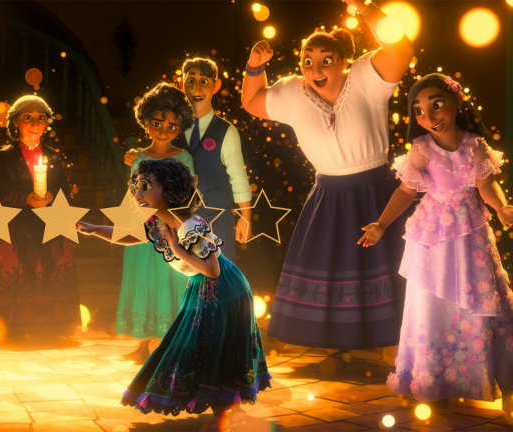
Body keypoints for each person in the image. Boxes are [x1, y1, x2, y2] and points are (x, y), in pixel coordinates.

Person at [240, 0, 414, 373]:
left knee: (385, 264)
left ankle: (393, 347)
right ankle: (337, 345)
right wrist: (255, 66)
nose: (316, 69)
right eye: (307, 61)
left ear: (343, 61)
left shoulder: (367, 78)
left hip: (376, 190)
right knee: (333, 262)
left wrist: (367, 10)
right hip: (329, 196)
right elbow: (251, 101)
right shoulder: (292, 94)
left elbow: (402, 50)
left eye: (326, 60)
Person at [77, 158, 270, 432]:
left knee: (214, 349)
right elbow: (130, 236)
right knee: (203, 348)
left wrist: (178, 250)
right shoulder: (158, 222)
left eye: (146, 186)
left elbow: (213, 269)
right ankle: (228, 411)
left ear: (169, 188)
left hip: (224, 290)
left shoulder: (192, 225)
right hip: (202, 288)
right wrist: (95, 229)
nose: (138, 194)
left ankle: (226, 415)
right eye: (136, 187)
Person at [359, 74, 513, 415]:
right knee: (430, 301)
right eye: (419, 110)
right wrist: (381, 224)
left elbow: (486, 185)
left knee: (482, 295)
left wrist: (501, 207)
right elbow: (405, 191)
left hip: (470, 232)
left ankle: (499, 380)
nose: (428, 116)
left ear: (458, 102)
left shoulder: (475, 146)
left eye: (437, 105)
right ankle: (433, 379)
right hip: (431, 235)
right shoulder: (422, 150)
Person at [125, 58, 252, 260]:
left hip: (217, 217)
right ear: (181, 84)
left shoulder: (226, 131)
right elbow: (155, 154)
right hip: (174, 222)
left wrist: (246, 216)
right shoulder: (173, 124)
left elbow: (238, 176)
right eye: (190, 81)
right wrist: (137, 156)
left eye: (204, 81)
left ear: (216, 85)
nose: (196, 88)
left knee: (218, 268)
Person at [0, 95, 81, 339]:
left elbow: (63, 187)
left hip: (49, 221)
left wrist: (51, 196)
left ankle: (55, 323)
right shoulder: (6, 155)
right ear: (15, 122)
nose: (35, 123)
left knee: (51, 262)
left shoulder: (53, 155)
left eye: (41, 118)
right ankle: (14, 324)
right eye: (27, 117)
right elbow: (0, 190)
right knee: (17, 263)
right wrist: (24, 198)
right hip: (17, 222)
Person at [117, 82, 195, 361]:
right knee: (142, 276)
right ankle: (142, 342)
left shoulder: (184, 157)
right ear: (145, 121)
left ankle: (171, 342)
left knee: (171, 276)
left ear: (181, 126)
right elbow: (134, 193)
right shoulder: (137, 157)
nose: (163, 131)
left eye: (172, 126)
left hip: (171, 227)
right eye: (157, 123)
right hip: (141, 229)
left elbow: (187, 194)